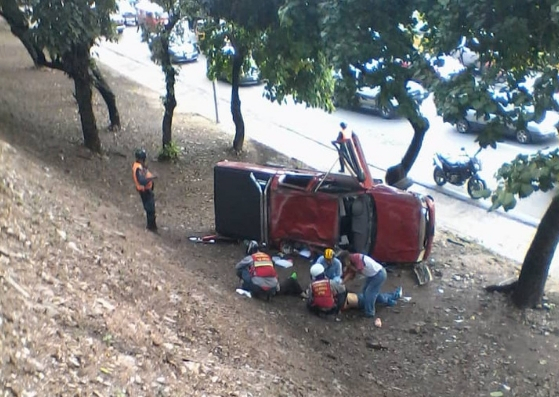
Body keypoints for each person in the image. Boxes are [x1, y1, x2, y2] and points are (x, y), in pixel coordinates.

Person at [338, 251, 402, 325]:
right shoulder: (351, 262)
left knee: (370, 293)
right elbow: (350, 274)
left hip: (379, 274)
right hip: (372, 275)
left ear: (347, 258)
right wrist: (342, 283)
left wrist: (350, 267)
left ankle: (370, 312)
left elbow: (359, 270)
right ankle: (389, 300)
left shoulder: (356, 258)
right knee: (366, 292)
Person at [132, 148, 158, 232]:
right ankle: (151, 227)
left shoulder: (139, 166)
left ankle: (152, 226)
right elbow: (142, 181)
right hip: (144, 191)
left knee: (150, 209)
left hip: (146, 190)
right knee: (150, 209)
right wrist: (152, 177)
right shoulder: (138, 168)